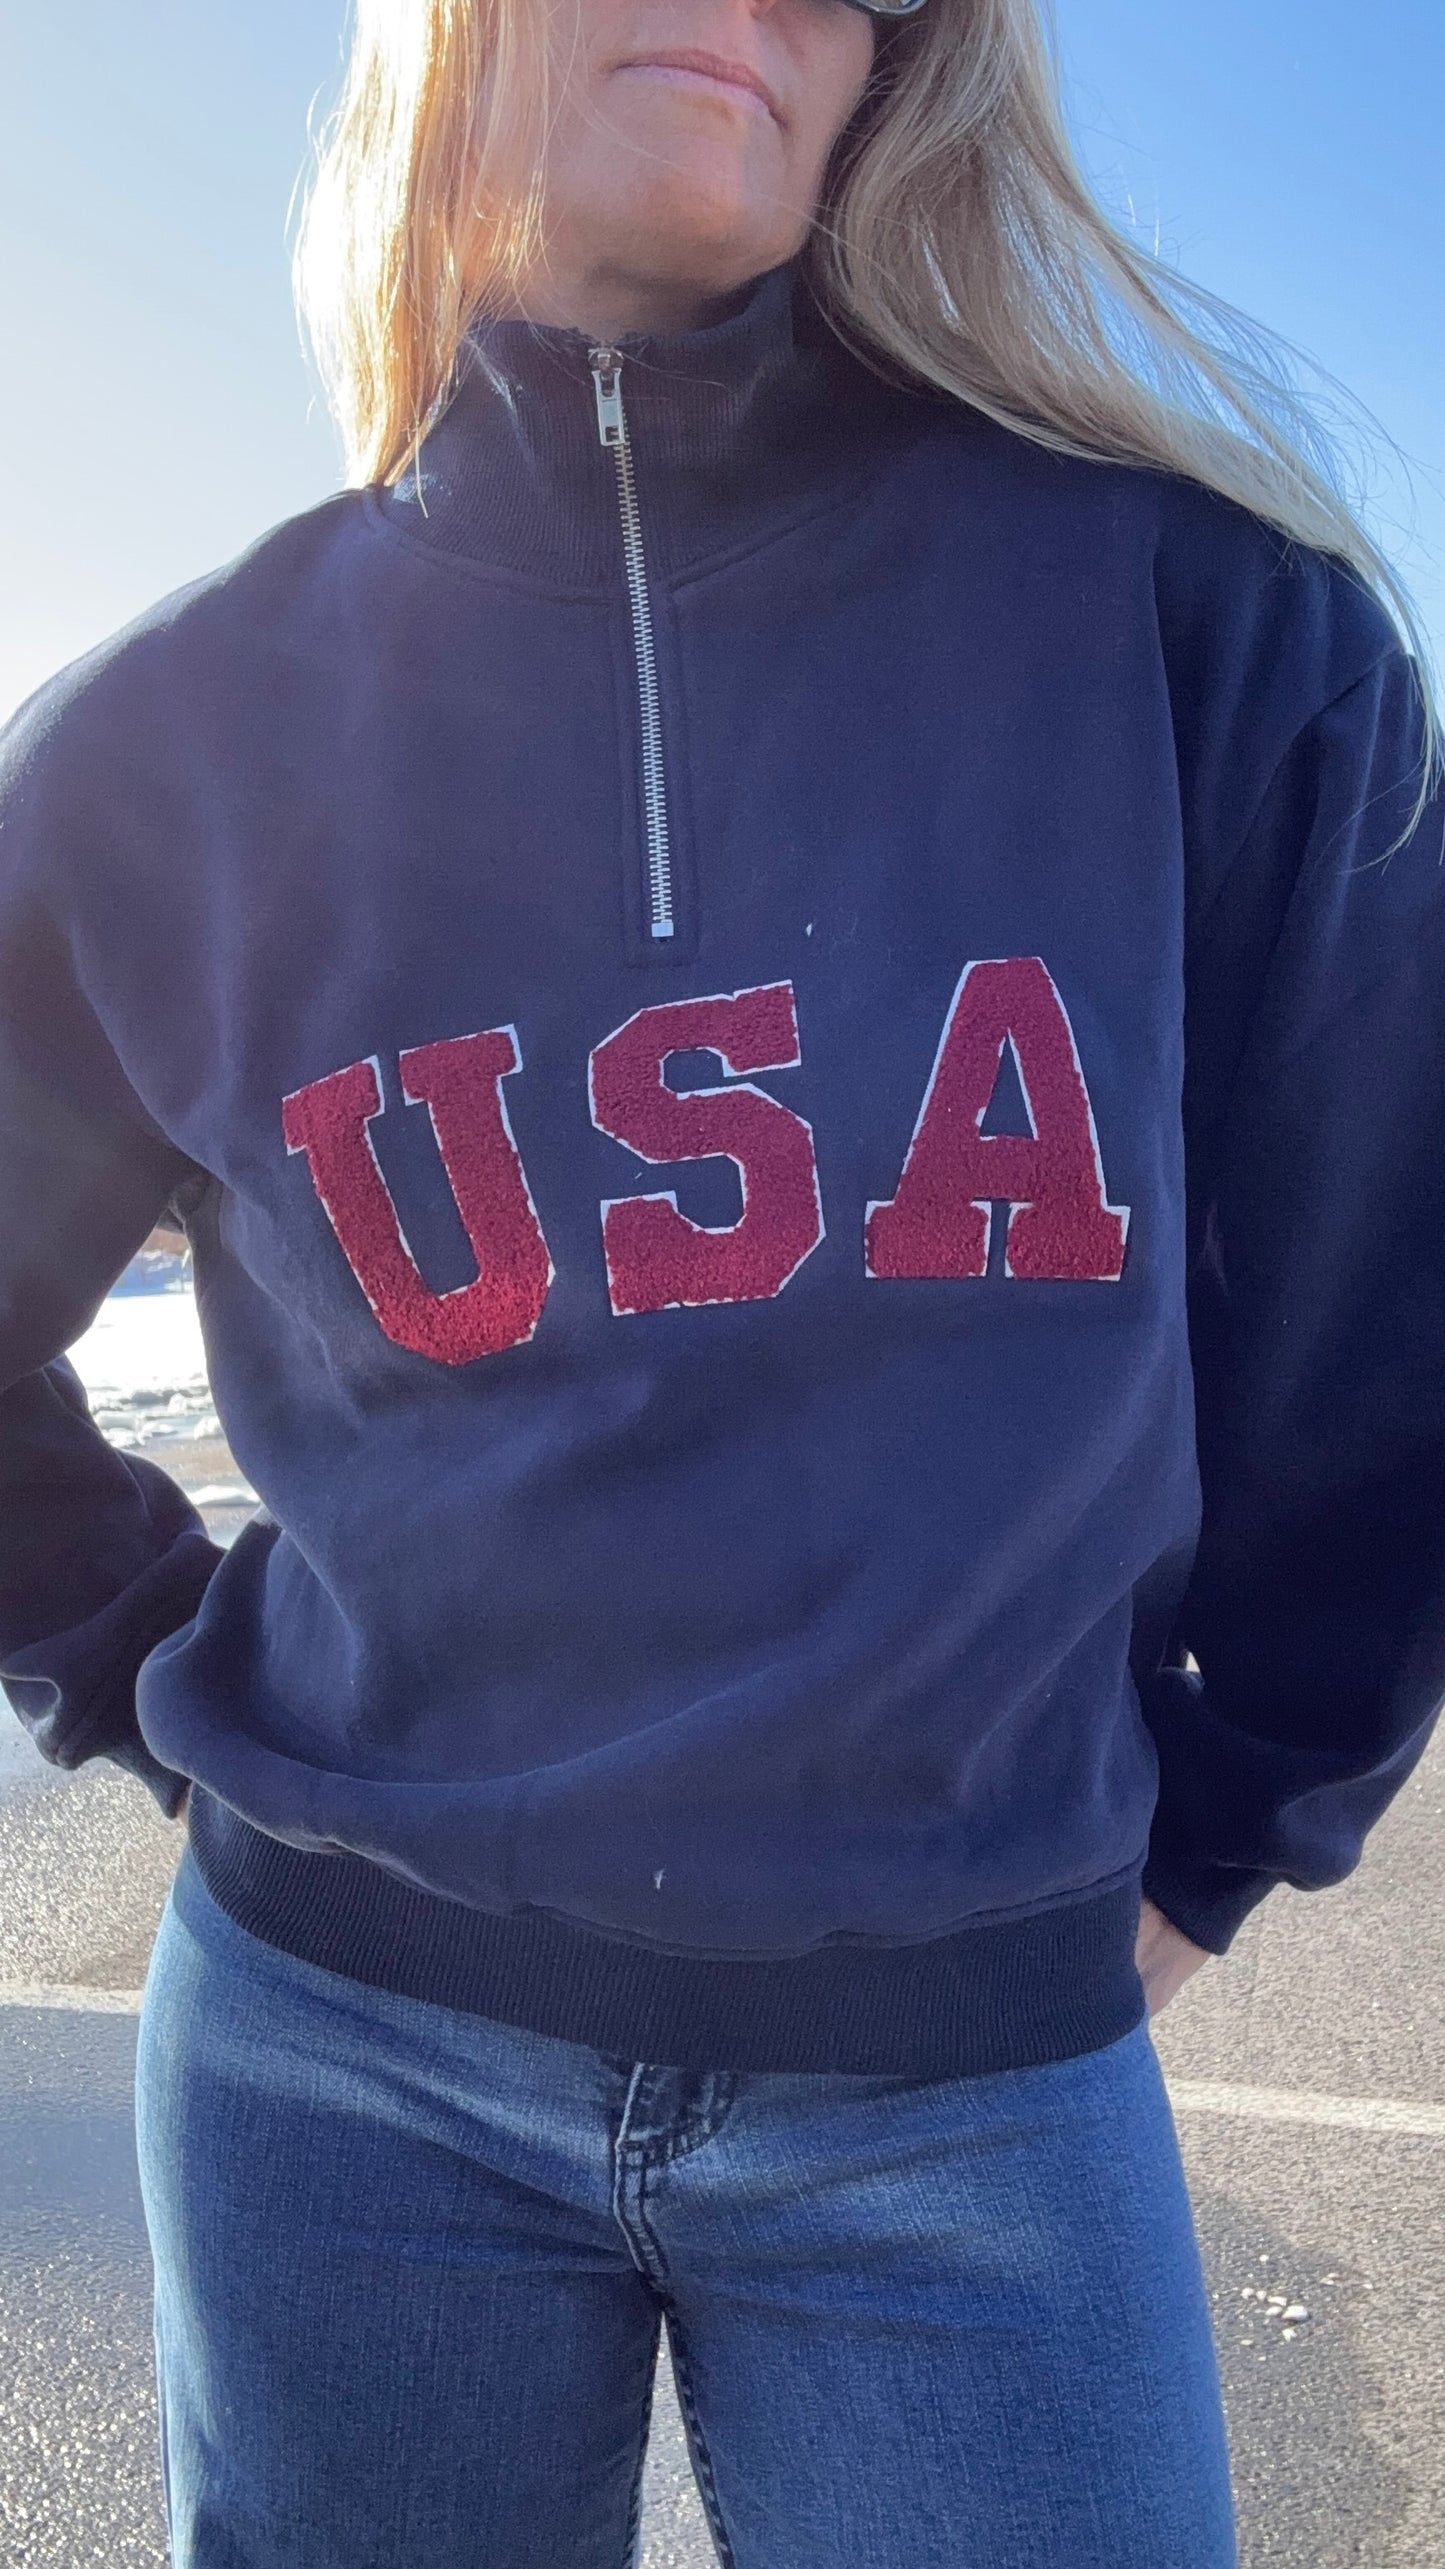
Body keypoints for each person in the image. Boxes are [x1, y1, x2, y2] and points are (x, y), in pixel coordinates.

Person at [2, 0, 1442, 2558]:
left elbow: (1387, 1324)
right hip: (333, 2071)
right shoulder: (157, 756)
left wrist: (1232, 1818)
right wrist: (135, 1662)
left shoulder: (1213, 636)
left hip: (978, 2088)